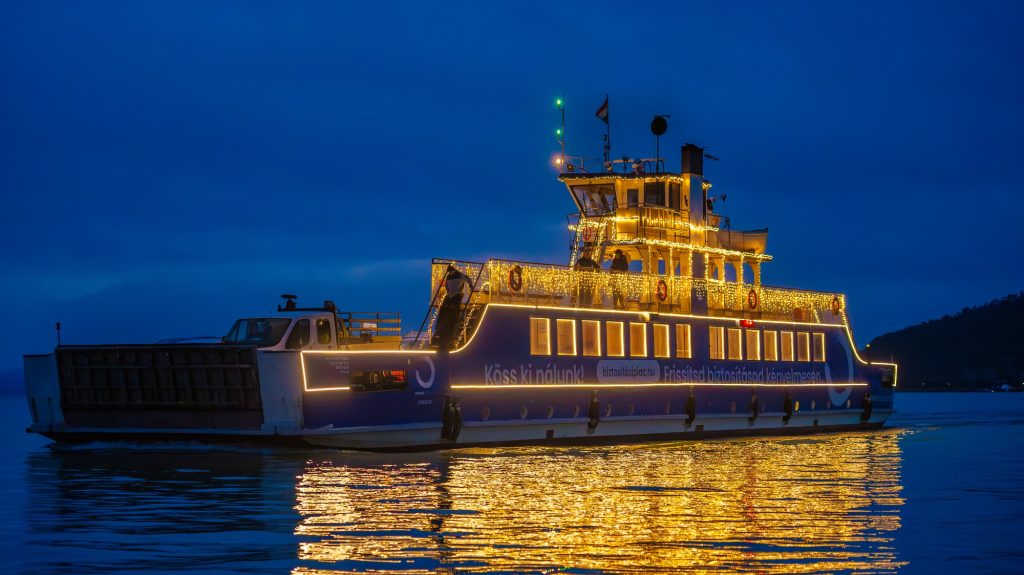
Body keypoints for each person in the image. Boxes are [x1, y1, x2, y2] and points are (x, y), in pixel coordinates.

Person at [433, 265, 471, 350]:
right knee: (445, 308)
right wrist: (450, 292)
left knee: (451, 308)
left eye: (450, 272)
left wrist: (456, 292)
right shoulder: (450, 276)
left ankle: (450, 320)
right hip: (452, 295)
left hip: (457, 295)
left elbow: (465, 282)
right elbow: (447, 285)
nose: (450, 273)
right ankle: (441, 328)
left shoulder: (459, 275)